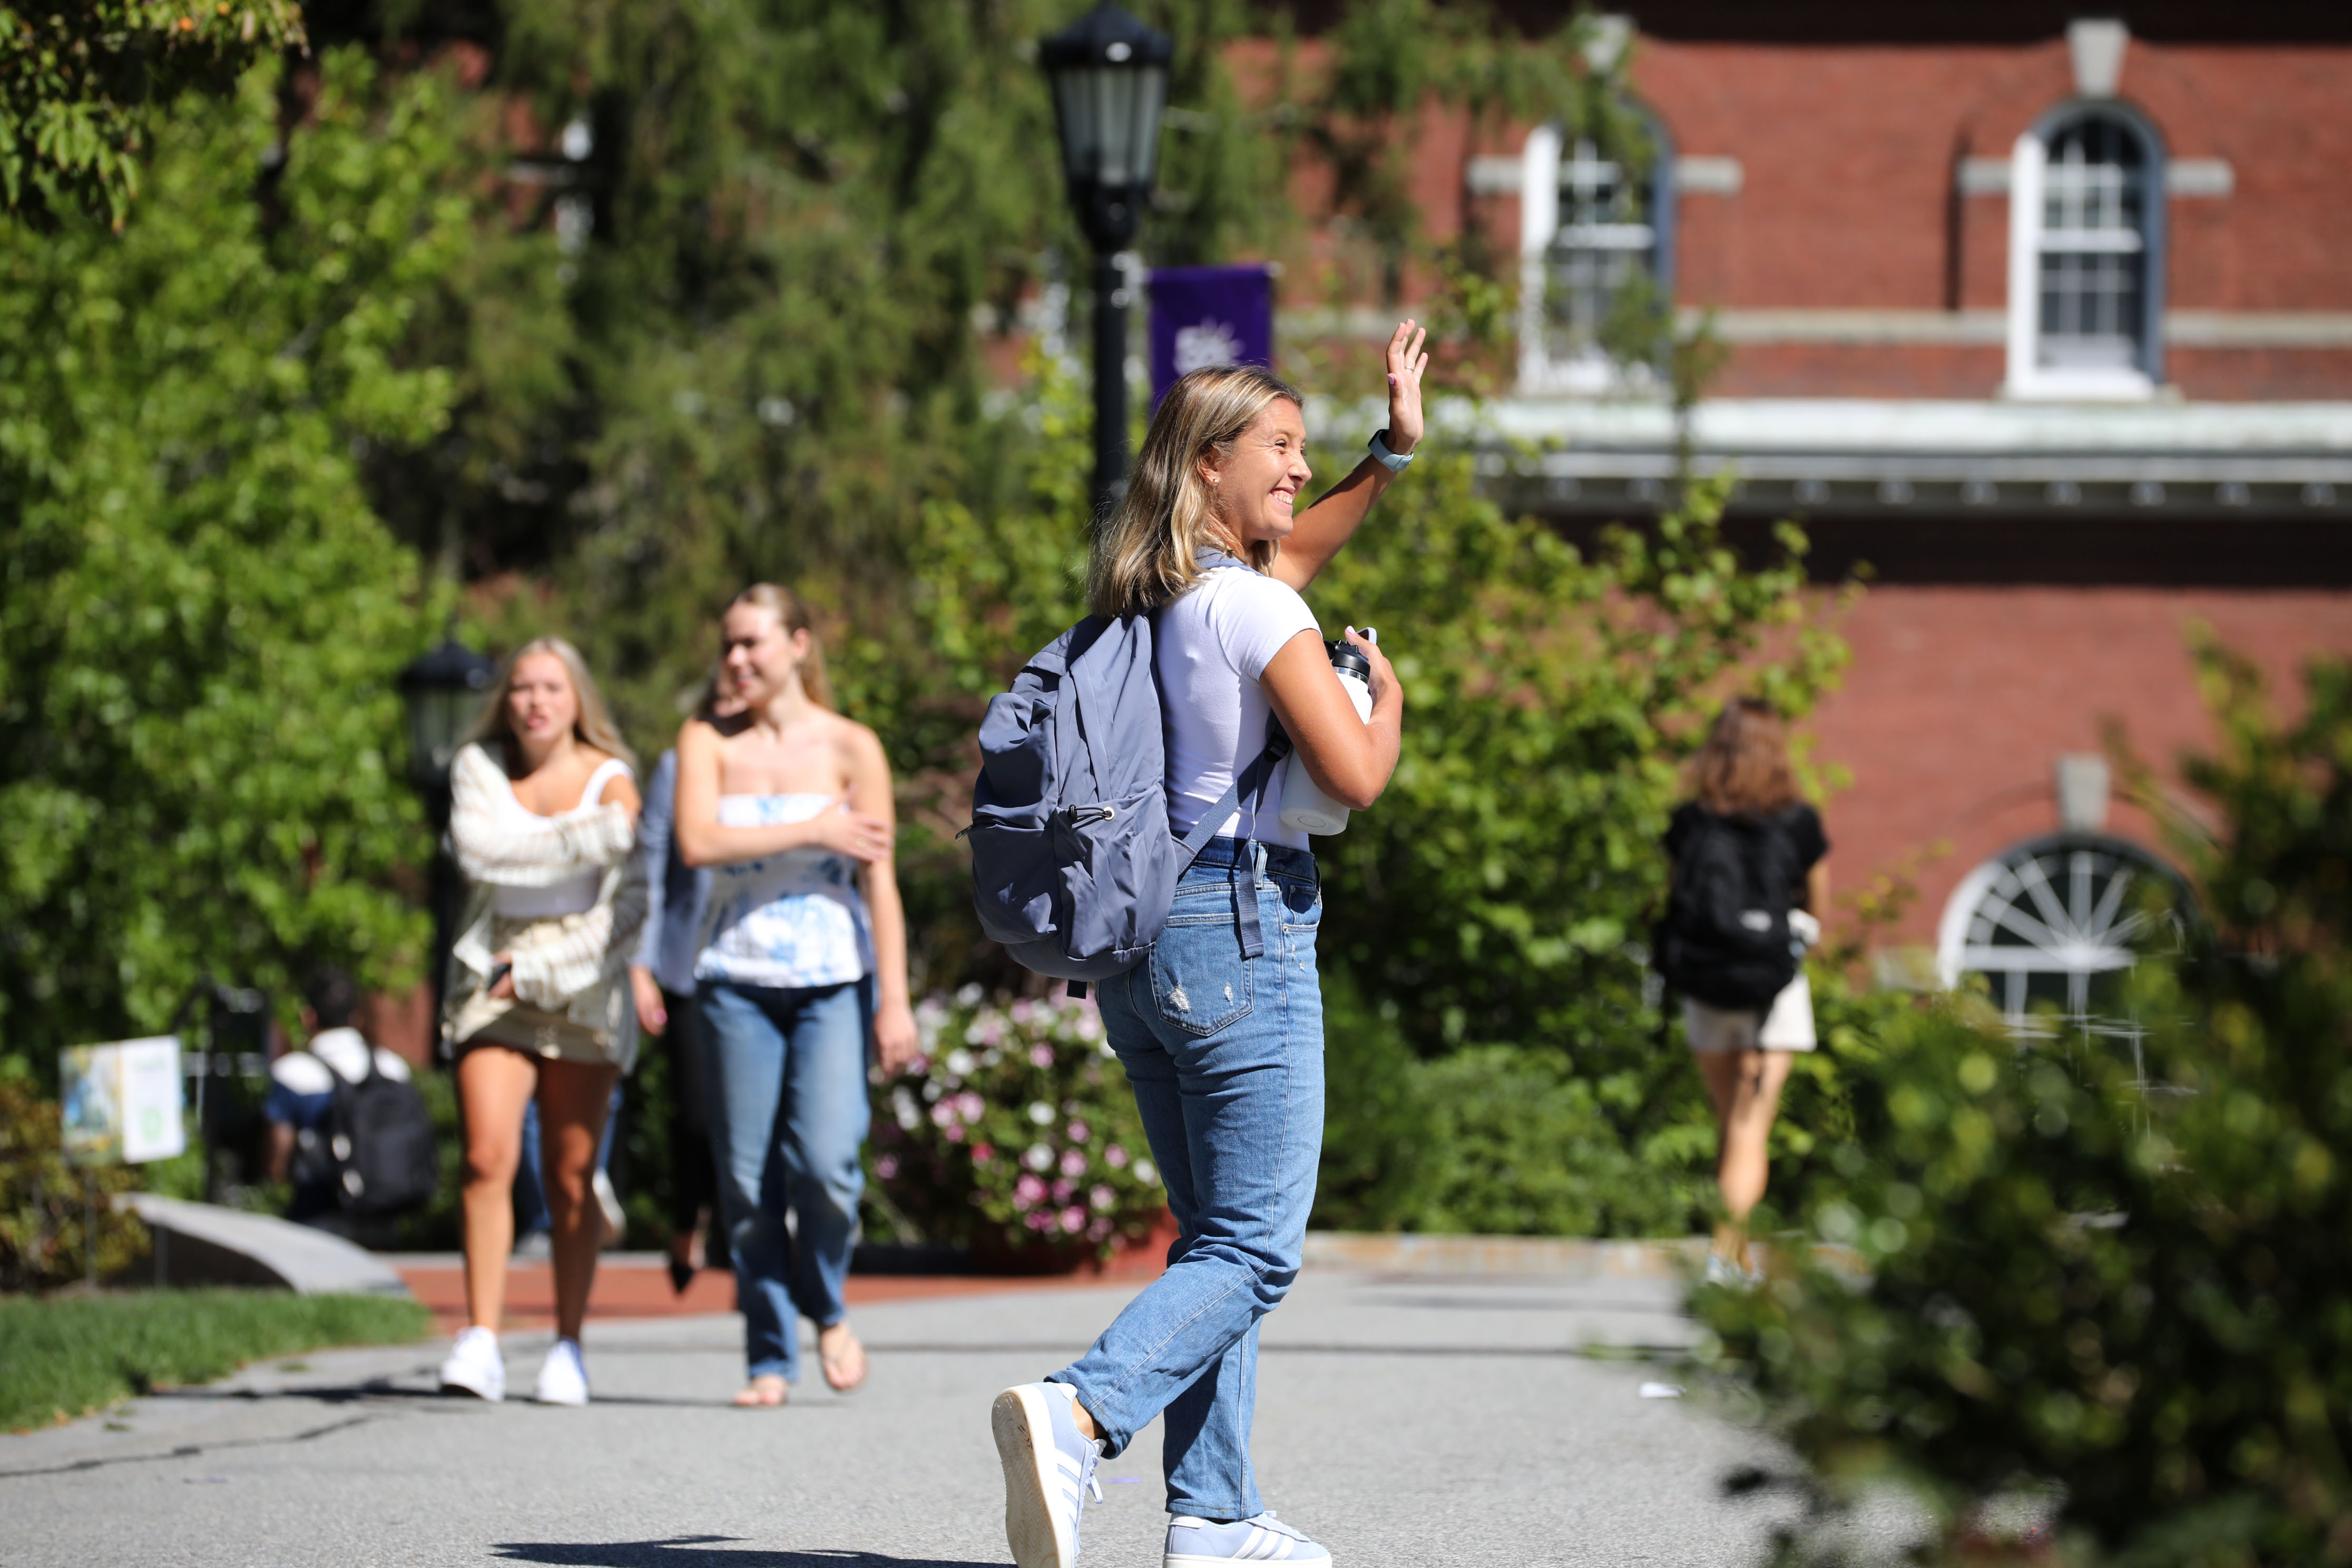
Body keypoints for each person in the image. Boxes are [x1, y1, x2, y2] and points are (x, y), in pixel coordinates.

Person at [990, 322, 1427, 1568]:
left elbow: (1299, 543)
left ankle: (1215, 1516)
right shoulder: (1257, 608)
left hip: (1139, 942)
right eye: (1278, 450)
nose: (1296, 471)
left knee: (1209, 1237)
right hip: (1239, 925)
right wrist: (1385, 708)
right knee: (1251, 1247)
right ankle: (1079, 1414)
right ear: (1211, 467)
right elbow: (1350, 772)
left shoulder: (1157, 598)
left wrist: (1384, 457)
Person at [674, 584, 920, 1406]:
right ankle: (769, 1356)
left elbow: (879, 883)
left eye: (753, 643)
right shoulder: (706, 741)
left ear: (800, 645)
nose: (736, 660)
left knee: (826, 1165)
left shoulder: (853, 748)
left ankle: (825, 1303)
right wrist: (815, 828)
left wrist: (895, 1000)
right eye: (728, 646)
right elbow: (698, 842)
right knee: (747, 1185)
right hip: (734, 983)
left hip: (831, 985)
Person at [435, 636, 647, 1406]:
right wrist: (592, 837)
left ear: (576, 697)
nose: (535, 702)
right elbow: (480, 855)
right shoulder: (479, 768)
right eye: (522, 687)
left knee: (569, 1176)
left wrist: (542, 967)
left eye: (551, 688)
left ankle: (568, 1343)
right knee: (487, 1157)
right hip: (492, 981)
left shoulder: (612, 776)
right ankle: (482, 1338)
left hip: (584, 982)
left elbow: (627, 907)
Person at [1662, 696, 1830, 1285]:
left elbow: (1675, 902)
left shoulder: (1691, 820)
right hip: (1772, 989)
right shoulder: (1799, 820)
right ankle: (1725, 1252)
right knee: (1749, 1128)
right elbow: (1817, 904)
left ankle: (1732, 1256)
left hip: (1706, 983)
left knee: (1728, 1123)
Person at [629, 672, 746, 1293]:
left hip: (762, 967)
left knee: (753, 1123)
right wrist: (641, 967)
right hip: (687, 968)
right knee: (699, 1120)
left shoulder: (778, 763)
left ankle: (742, 1254)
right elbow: (648, 868)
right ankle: (685, 1224)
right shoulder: (677, 768)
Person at [264, 967, 414, 1232]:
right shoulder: (394, 1068)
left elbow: (280, 1147)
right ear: (356, 1018)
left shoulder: (292, 1073)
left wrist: (273, 1187)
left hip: (315, 1212)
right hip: (386, 1212)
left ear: (308, 1017)